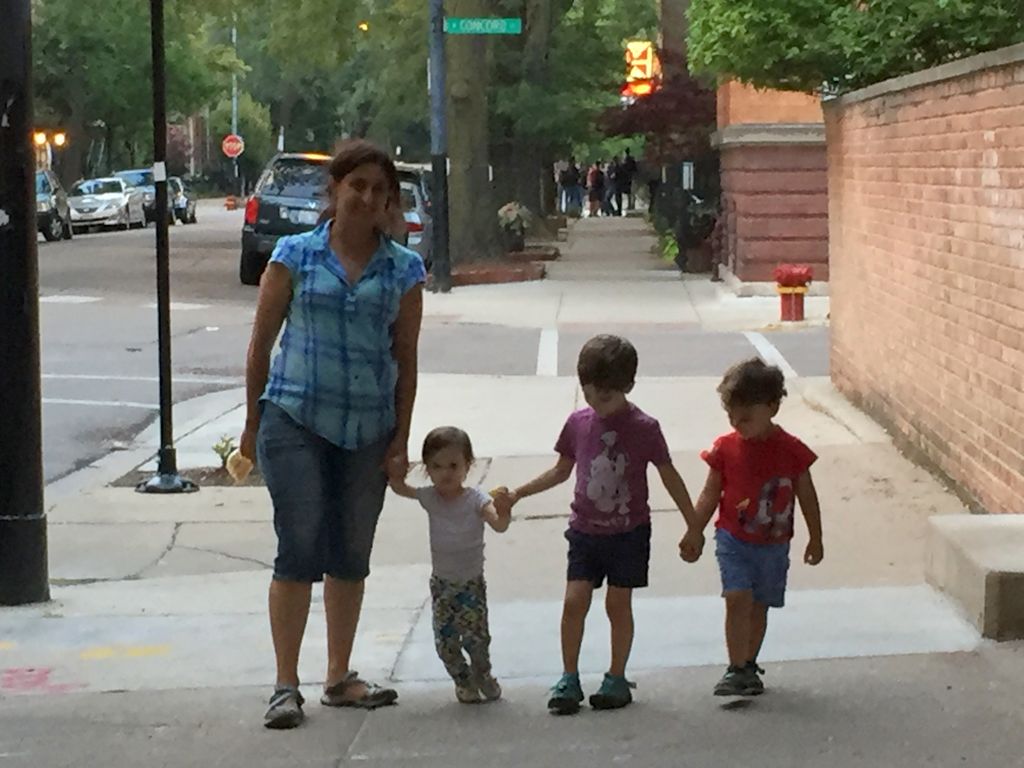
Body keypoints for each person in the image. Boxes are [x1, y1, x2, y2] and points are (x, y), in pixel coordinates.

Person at [240, 139, 427, 729]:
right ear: (336, 190)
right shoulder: (293, 255)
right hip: (294, 418)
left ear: (388, 201)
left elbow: (406, 359)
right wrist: (251, 426)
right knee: (298, 546)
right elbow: (260, 345)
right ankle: (284, 685)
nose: (367, 198)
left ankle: (340, 676)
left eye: (379, 191)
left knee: (351, 552)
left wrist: (400, 440)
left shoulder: (404, 269)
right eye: (357, 186)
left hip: (368, 428)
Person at [494, 335, 699, 715]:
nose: (597, 402)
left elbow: (669, 474)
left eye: (607, 395)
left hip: (629, 533)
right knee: (574, 602)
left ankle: (616, 677)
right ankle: (568, 677)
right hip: (585, 531)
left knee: (618, 604)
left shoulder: (645, 427)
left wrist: (694, 524)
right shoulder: (578, 423)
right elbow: (561, 470)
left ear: (628, 386)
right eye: (589, 393)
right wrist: (519, 493)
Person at [679, 358, 824, 697]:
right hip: (733, 538)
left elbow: (806, 494)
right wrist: (694, 529)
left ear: (772, 407)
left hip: (774, 544)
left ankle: (748, 664)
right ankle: (735, 667)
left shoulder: (791, 450)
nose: (737, 424)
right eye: (731, 417)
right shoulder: (725, 448)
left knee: (759, 605)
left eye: (745, 417)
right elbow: (711, 492)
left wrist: (816, 537)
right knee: (736, 597)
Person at [388, 427, 511, 704]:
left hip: (471, 585)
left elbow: (499, 525)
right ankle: (463, 680)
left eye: (454, 466)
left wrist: (504, 509)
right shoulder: (430, 497)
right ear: (427, 469)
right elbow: (399, 488)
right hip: (442, 585)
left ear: (468, 465)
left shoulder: (476, 500)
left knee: (477, 640)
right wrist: (395, 469)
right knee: (445, 641)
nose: (446, 473)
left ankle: (483, 674)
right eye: (437, 466)